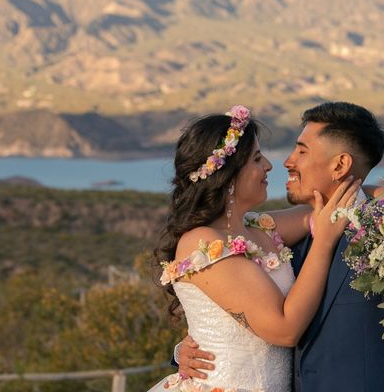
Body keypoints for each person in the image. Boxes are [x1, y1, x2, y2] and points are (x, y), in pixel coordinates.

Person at [177, 102, 384, 391]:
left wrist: (380, 192)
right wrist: (184, 352)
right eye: (258, 158)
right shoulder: (289, 239)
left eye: (301, 151)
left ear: (340, 165)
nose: (285, 162)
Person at [150, 105, 361, 392]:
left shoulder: (258, 227)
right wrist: (323, 243)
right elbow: (284, 330)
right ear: (228, 176)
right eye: (257, 159)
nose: (269, 166)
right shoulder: (203, 243)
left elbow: (326, 207)